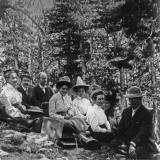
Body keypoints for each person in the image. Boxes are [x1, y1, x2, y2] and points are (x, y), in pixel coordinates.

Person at [110, 86, 153, 159]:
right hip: (126, 140)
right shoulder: (126, 111)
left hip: (140, 142)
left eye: (134, 99)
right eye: (129, 99)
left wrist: (133, 144)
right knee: (113, 143)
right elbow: (121, 128)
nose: (131, 101)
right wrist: (114, 132)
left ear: (140, 99)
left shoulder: (146, 113)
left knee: (138, 151)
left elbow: (144, 132)